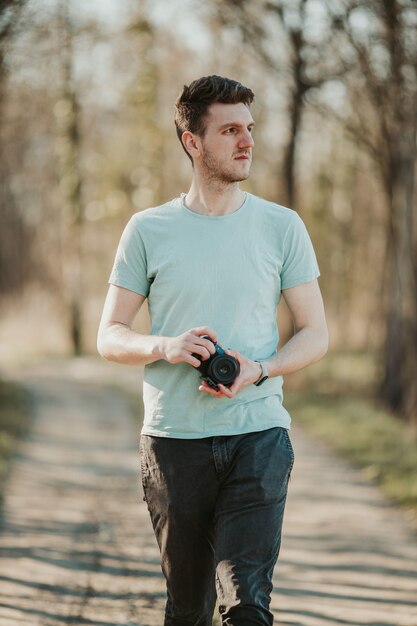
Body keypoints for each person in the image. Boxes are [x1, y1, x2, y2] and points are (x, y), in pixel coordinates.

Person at [97, 75, 328, 626]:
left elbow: (315, 332)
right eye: (229, 130)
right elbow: (110, 334)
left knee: (247, 606)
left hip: (259, 436)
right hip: (175, 444)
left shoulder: (282, 226)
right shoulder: (147, 229)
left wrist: (261, 369)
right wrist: (167, 345)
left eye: (249, 128)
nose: (246, 141)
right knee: (189, 611)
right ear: (191, 140)